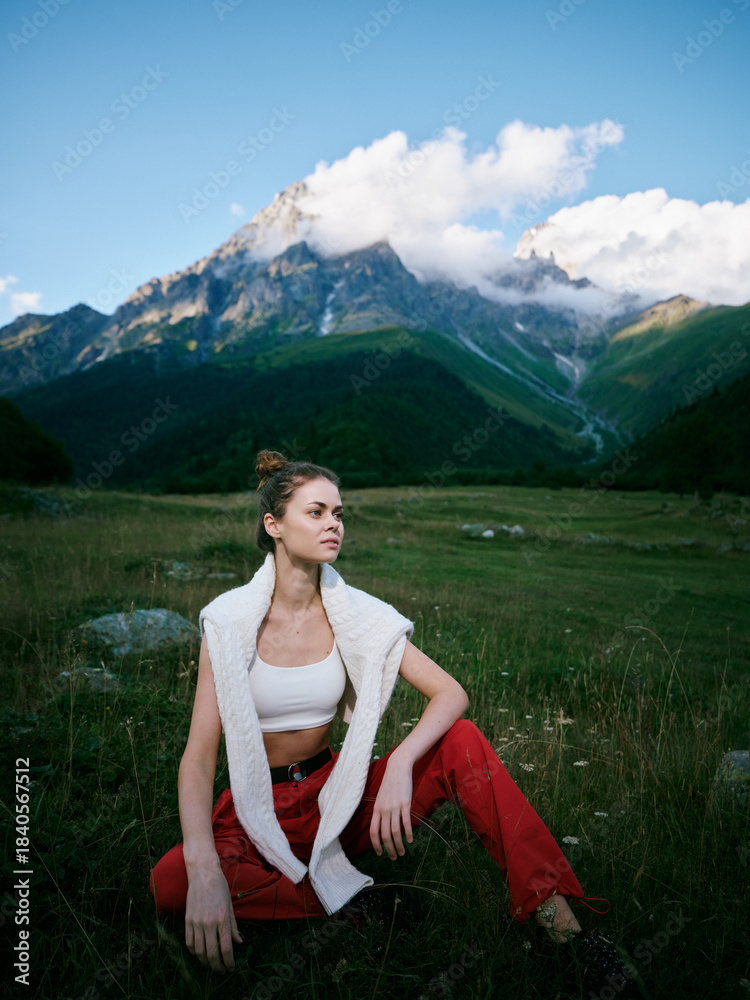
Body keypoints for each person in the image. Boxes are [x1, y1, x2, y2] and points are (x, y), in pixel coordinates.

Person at [149, 450, 649, 998]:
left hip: (336, 798)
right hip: (255, 808)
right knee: (172, 880)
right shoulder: (227, 623)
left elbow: (451, 693)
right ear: (274, 525)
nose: (334, 524)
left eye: (339, 513)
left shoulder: (356, 614)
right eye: (316, 512)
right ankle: (357, 901)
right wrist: (204, 867)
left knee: (462, 741)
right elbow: (199, 757)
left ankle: (567, 931)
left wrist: (400, 763)